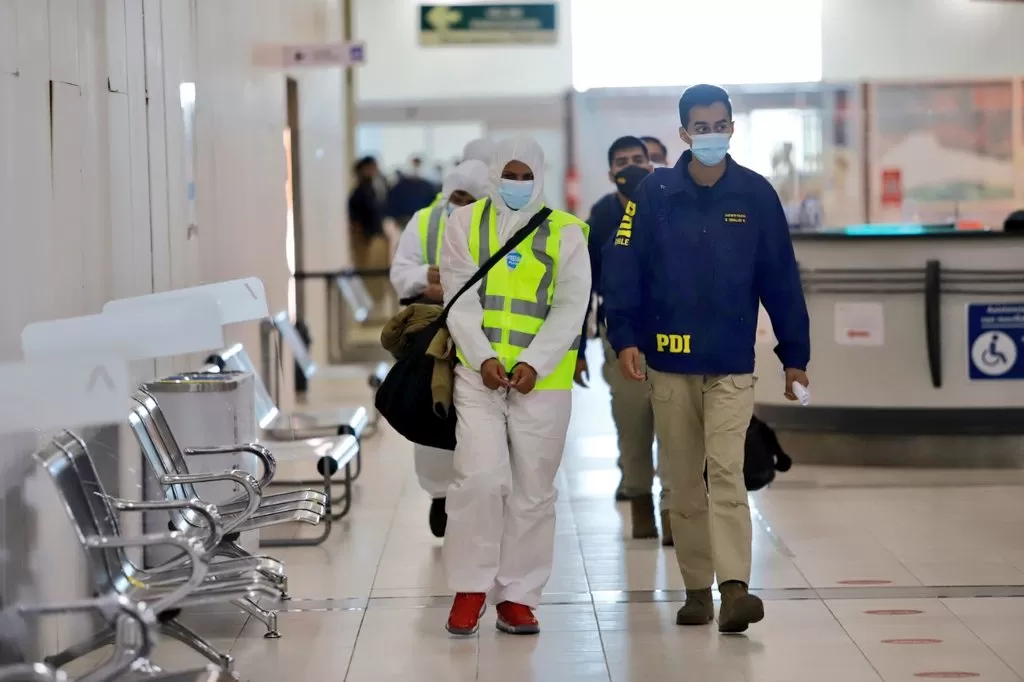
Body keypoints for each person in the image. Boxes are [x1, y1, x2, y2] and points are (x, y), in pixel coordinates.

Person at [603, 84, 810, 634]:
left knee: (725, 471)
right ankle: (697, 589)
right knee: (682, 478)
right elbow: (625, 269)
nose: (711, 134)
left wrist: (795, 355)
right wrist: (624, 336)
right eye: (701, 126)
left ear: (732, 128)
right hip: (669, 361)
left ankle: (735, 589)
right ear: (683, 133)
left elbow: (781, 280)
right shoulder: (656, 192)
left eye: (720, 124)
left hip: (730, 362)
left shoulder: (756, 195)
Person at [440, 135, 591, 637]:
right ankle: (470, 587)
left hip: (543, 381)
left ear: (541, 176)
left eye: (528, 176)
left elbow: (572, 305)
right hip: (477, 374)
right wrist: (482, 357)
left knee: (533, 490)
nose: (518, 184)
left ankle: (518, 596)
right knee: (478, 479)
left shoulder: (568, 232)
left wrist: (534, 362)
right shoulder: (463, 223)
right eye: (511, 174)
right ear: (493, 174)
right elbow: (458, 299)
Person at [574, 136, 673, 544]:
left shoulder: (672, 205)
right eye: (622, 161)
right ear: (610, 170)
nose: (631, 167)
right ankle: (640, 507)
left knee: (675, 430)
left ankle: (673, 512)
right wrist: (577, 348)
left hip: (673, 340)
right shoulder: (601, 214)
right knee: (633, 429)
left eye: (639, 159)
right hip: (621, 340)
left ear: (652, 164)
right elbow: (582, 285)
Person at [389, 159, 490, 537]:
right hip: (434, 334)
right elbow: (401, 274)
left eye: (469, 198)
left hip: (482, 332)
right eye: (456, 196)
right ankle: (441, 496)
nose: (459, 203)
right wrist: (425, 278)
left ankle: (478, 495)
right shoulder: (426, 220)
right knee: (434, 407)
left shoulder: (495, 223)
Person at [348, 156, 392, 313]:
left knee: (377, 278)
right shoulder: (359, 193)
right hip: (366, 240)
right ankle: (370, 308)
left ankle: (376, 306)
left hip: (375, 238)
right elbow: (356, 222)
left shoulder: (372, 190)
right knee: (368, 277)